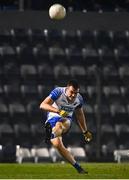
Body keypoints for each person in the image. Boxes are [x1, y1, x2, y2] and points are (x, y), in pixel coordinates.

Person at [40, 79, 92, 174]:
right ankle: (78, 168)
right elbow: (43, 105)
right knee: (58, 145)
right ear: (67, 88)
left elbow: (80, 115)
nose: (73, 95)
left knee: (60, 125)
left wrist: (85, 131)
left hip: (66, 120)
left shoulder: (79, 99)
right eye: (72, 92)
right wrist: (58, 111)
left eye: (75, 93)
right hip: (52, 118)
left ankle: (50, 134)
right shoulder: (58, 92)